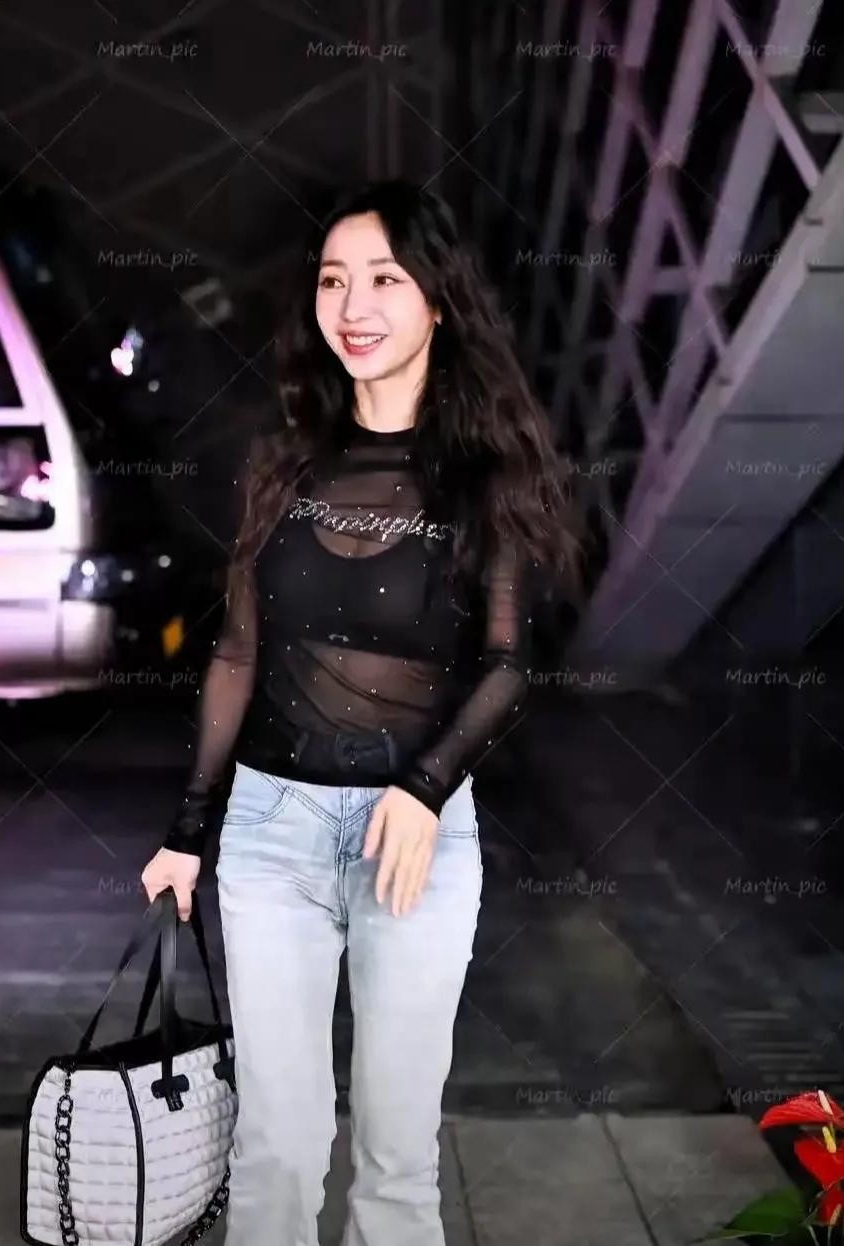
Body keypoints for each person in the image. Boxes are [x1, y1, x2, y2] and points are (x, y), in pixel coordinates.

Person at [141, 178, 581, 1246]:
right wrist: (188, 829)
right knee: (276, 1147)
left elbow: (507, 665)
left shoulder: (484, 473)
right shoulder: (282, 460)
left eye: (384, 278)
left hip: (412, 842)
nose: (354, 305)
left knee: (395, 1157)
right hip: (269, 833)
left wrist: (424, 789)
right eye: (334, 280)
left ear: (437, 298)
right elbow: (237, 652)